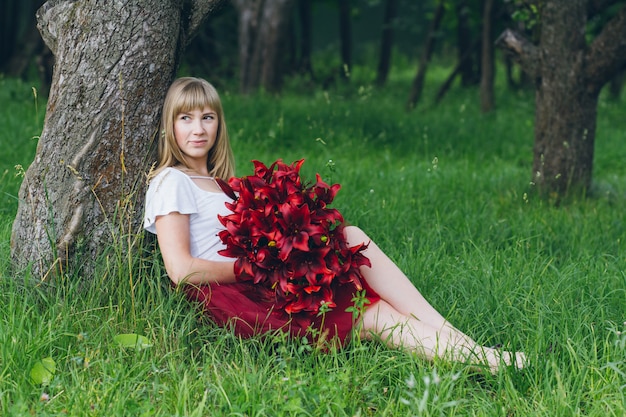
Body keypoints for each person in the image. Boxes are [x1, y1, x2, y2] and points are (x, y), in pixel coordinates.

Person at [144, 77, 526, 373]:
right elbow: (181, 270)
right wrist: (261, 269)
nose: (198, 129)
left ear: (218, 124)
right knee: (372, 313)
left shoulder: (220, 185)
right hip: (239, 294)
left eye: (207, 117)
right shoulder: (171, 181)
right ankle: (489, 360)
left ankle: (465, 344)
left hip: (260, 279)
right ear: (170, 126)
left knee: (351, 238)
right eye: (186, 118)